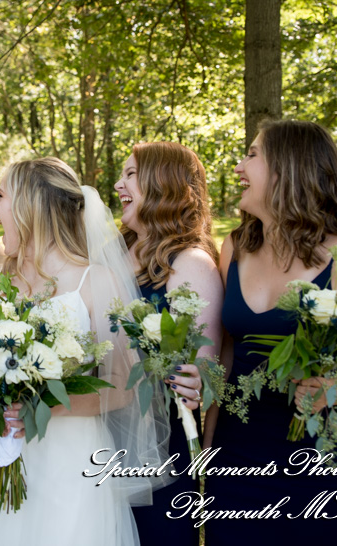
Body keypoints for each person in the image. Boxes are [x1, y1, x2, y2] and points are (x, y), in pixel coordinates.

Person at [0, 157, 171, 546]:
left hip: (67, 464)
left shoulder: (96, 281)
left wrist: (43, 406)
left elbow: (122, 387)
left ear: (31, 206)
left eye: (1, 196)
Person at [202, 120, 337, 544]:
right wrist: (210, 436)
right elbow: (227, 354)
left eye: (252, 154)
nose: (238, 166)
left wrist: (328, 389)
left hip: (315, 460)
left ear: (289, 168)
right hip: (236, 454)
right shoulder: (235, 248)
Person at [115, 142, 222, 545]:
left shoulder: (190, 263)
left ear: (163, 184)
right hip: (102, 428)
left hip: (160, 447)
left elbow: (205, 376)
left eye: (130, 175)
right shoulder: (118, 249)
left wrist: (199, 380)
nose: (117, 184)